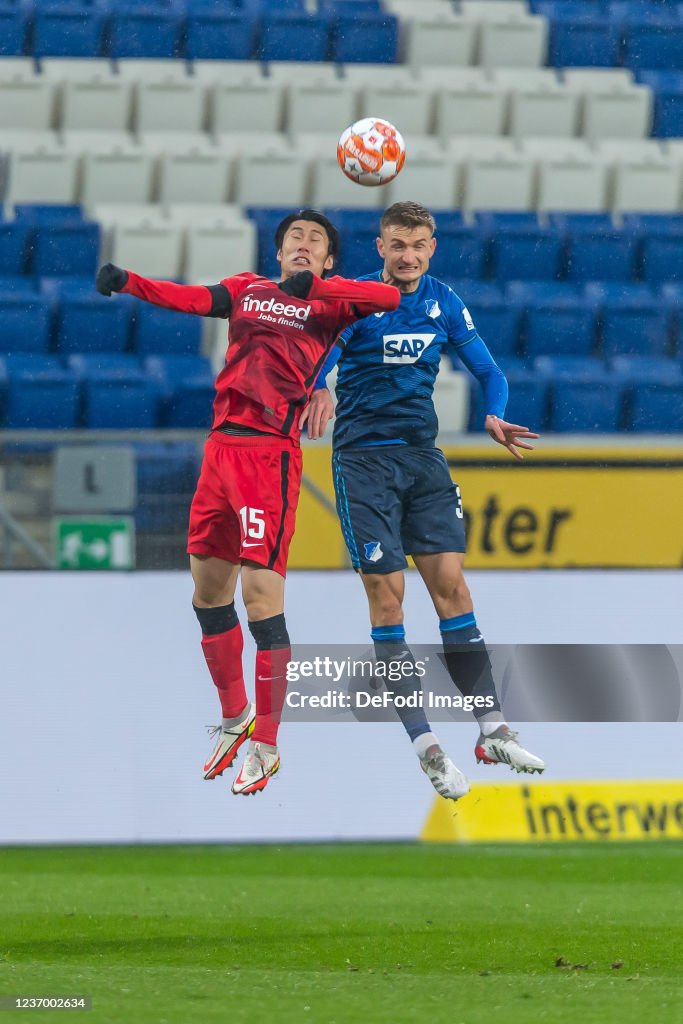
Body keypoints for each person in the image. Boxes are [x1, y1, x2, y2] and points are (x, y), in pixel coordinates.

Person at [96, 209, 400, 796]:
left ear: (329, 259)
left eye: (316, 240)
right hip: (220, 451)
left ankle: (267, 741)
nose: (304, 244)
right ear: (278, 252)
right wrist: (131, 281)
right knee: (208, 593)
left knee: (262, 598)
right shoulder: (246, 290)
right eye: (294, 238)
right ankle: (236, 717)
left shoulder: (333, 303)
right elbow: (189, 299)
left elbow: (386, 294)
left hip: (271, 456)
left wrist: (314, 290)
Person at [301, 201, 545, 801]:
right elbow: (316, 361)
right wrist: (318, 389)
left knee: (454, 591)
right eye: (397, 245)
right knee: (389, 599)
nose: (407, 256)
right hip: (363, 465)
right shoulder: (355, 299)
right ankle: (426, 745)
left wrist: (495, 412)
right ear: (380, 248)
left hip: (423, 460)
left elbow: (490, 371)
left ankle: (492, 729)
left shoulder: (443, 299)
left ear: (429, 248)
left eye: (418, 246)